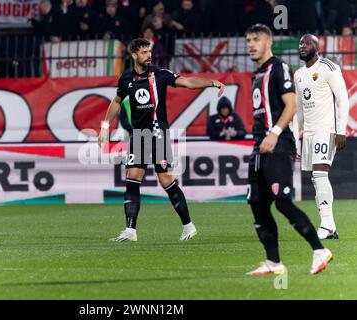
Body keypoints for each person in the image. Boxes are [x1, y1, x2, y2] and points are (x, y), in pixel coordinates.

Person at [98, 38, 225, 242]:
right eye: (144, 52)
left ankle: (188, 226)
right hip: (139, 134)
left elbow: (187, 82)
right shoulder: (126, 78)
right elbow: (117, 100)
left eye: (149, 51)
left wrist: (211, 82)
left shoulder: (159, 74)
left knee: (165, 179)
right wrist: (105, 126)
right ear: (134, 55)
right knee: (132, 179)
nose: (148, 55)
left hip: (158, 132)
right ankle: (130, 231)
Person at [244, 24, 331, 275]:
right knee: (257, 204)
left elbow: (291, 105)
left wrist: (276, 134)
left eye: (256, 39)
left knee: (281, 200)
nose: (251, 44)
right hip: (260, 147)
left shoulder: (278, 67)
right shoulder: (257, 74)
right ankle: (274, 262)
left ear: (268, 42)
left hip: (277, 144)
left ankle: (319, 250)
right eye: (248, 40)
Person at [294, 34, 349, 239]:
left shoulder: (329, 67)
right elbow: (298, 110)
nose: (302, 46)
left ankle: (325, 226)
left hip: (325, 129)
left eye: (307, 43)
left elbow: (343, 99)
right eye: (300, 44)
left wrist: (341, 130)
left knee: (320, 174)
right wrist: (295, 140)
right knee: (316, 179)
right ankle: (330, 226)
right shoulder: (299, 74)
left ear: (317, 47)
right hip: (308, 133)